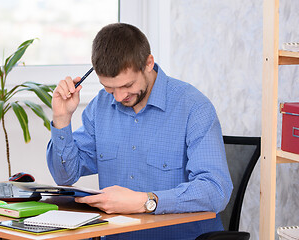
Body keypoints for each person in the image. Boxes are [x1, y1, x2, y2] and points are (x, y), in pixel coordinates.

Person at [47, 23, 233, 240]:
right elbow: (65, 176)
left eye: (127, 85)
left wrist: (145, 201)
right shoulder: (101, 106)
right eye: (109, 87)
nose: (118, 97)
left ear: (148, 63)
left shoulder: (193, 107)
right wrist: (62, 119)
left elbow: (215, 191)